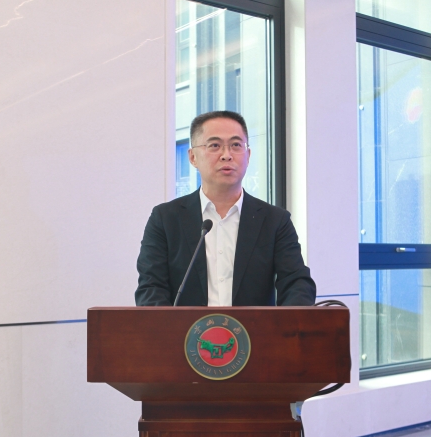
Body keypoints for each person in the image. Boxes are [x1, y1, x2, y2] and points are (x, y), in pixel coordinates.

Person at [135, 110, 316, 307]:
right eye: (214, 145)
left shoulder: (275, 220)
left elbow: (297, 283)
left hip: (253, 328)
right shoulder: (165, 219)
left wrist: (287, 323)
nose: (226, 155)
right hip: (186, 328)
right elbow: (151, 288)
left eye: (236, 145)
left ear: (248, 155)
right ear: (193, 157)